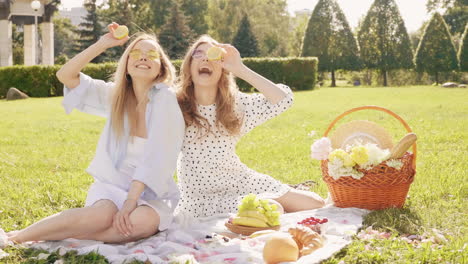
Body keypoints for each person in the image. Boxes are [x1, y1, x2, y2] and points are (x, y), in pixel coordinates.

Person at [4, 23, 185, 244]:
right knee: (100, 216)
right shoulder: (115, 95)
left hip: (151, 193)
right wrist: (103, 44)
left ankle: (69, 237)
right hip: (112, 185)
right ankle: (15, 237)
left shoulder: (165, 99)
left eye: (151, 55)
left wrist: (130, 202)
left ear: (162, 68)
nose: (143, 58)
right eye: (135, 54)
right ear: (126, 65)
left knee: (142, 222)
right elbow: (65, 75)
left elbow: (156, 158)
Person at [175, 35, 325, 218]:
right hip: (201, 198)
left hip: (240, 180)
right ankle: (266, 201)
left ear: (222, 69)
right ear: (189, 66)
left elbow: (284, 99)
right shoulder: (174, 105)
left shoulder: (235, 106)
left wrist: (239, 68)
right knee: (272, 209)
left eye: (213, 55)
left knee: (316, 203)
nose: (206, 58)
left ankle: (280, 193)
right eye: (198, 54)